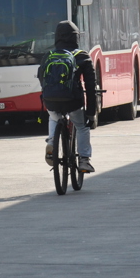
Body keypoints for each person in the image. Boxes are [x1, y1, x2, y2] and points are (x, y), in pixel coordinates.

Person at [39, 21, 98, 173]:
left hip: (51, 101)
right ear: (76, 38)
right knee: (81, 126)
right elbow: (91, 87)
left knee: (53, 117)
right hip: (73, 102)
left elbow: (41, 78)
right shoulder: (82, 56)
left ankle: (52, 141)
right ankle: (84, 160)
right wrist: (91, 114)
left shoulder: (48, 56)